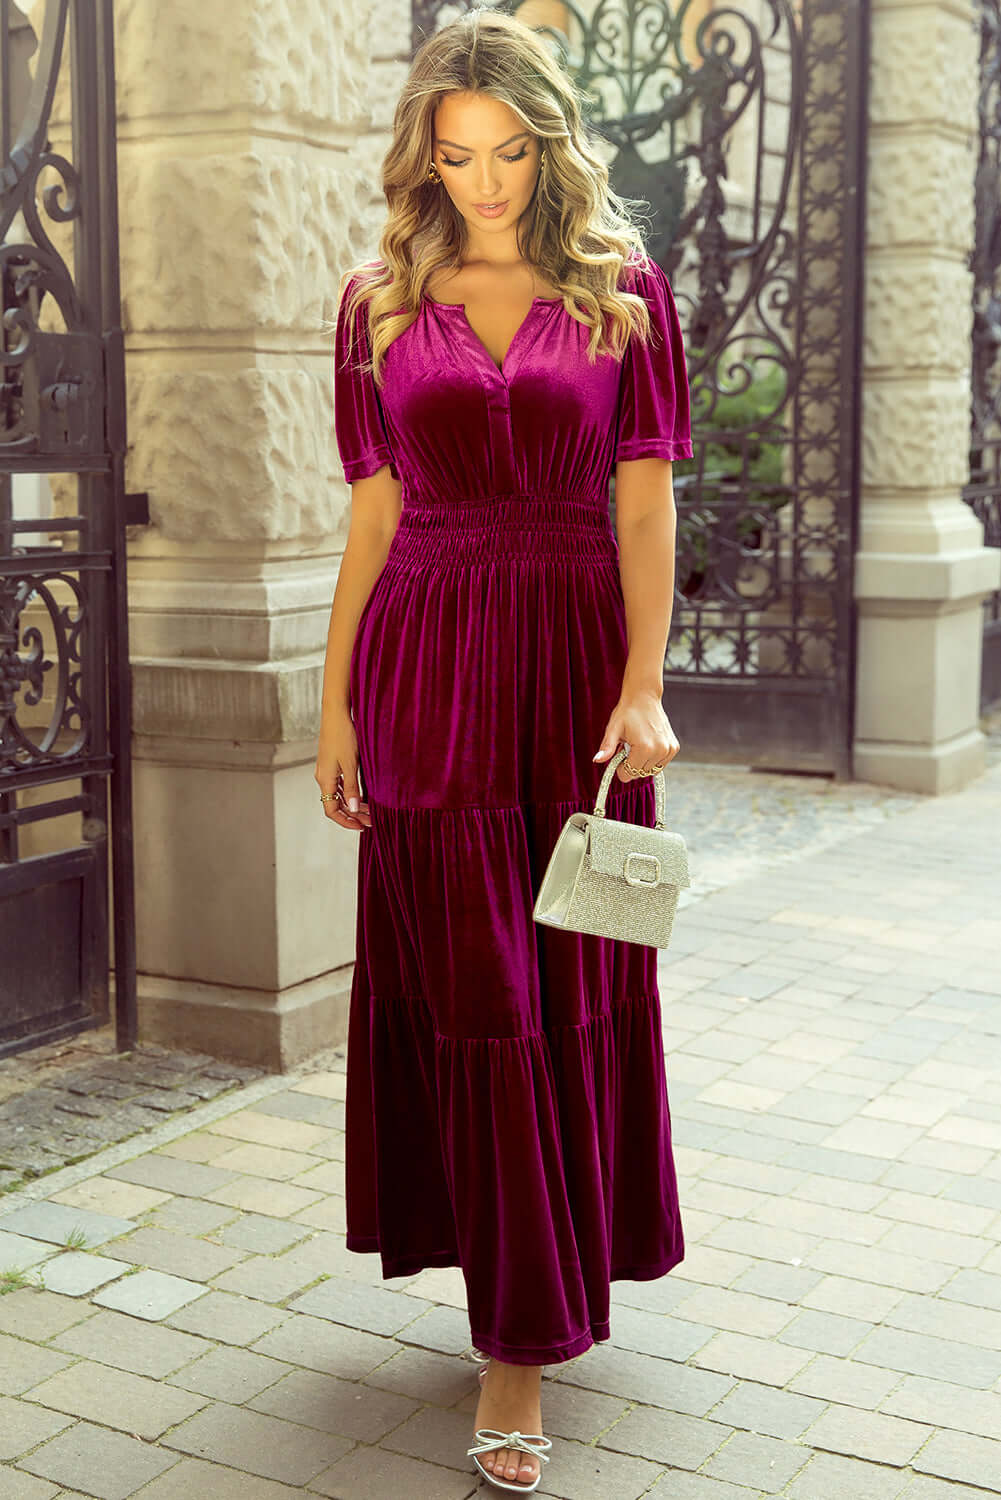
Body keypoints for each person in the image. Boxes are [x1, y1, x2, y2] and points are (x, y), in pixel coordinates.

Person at [318, 8, 693, 1491]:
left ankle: (541, 1297)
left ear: (550, 143)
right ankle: (511, 1341)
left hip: (572, 673)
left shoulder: (622, 292)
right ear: (425, 154)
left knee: (573, 978)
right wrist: (335, 701)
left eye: (509, 150)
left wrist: (645, 685)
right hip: (422, 666)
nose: (481, 181)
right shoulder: (374, 302)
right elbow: (371, 514)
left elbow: (646, 501)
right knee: (473, 991)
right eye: (454, 153)